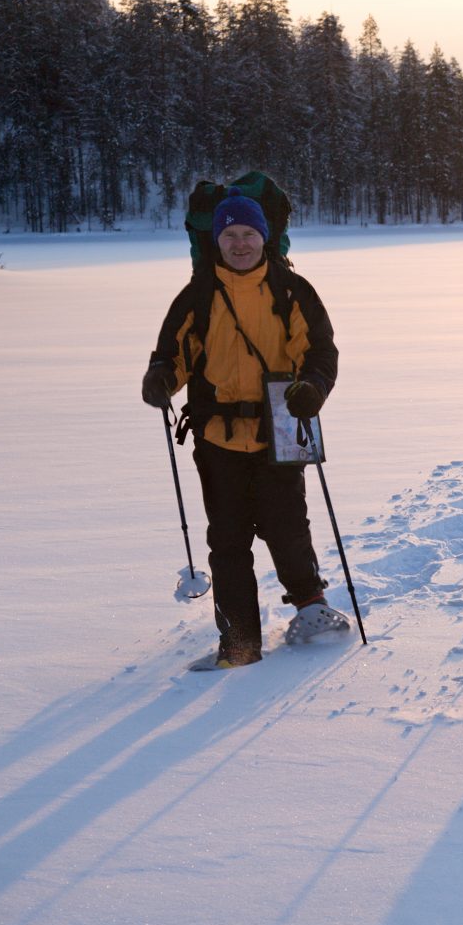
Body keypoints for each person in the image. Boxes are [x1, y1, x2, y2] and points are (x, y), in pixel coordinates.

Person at [140, 192, 347, 668]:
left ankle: (314, 614)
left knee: (287, 524)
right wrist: (161, 381)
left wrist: (313, 388)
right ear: (216, 240)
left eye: (248, 234)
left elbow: (320, 352)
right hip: (217, 435)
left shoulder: (293, 291)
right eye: (229, 235)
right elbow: (173, 355)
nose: (239, 244)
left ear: (264, 238)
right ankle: (238, 642)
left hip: (283, 421)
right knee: (228, 539)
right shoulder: (197, 296)